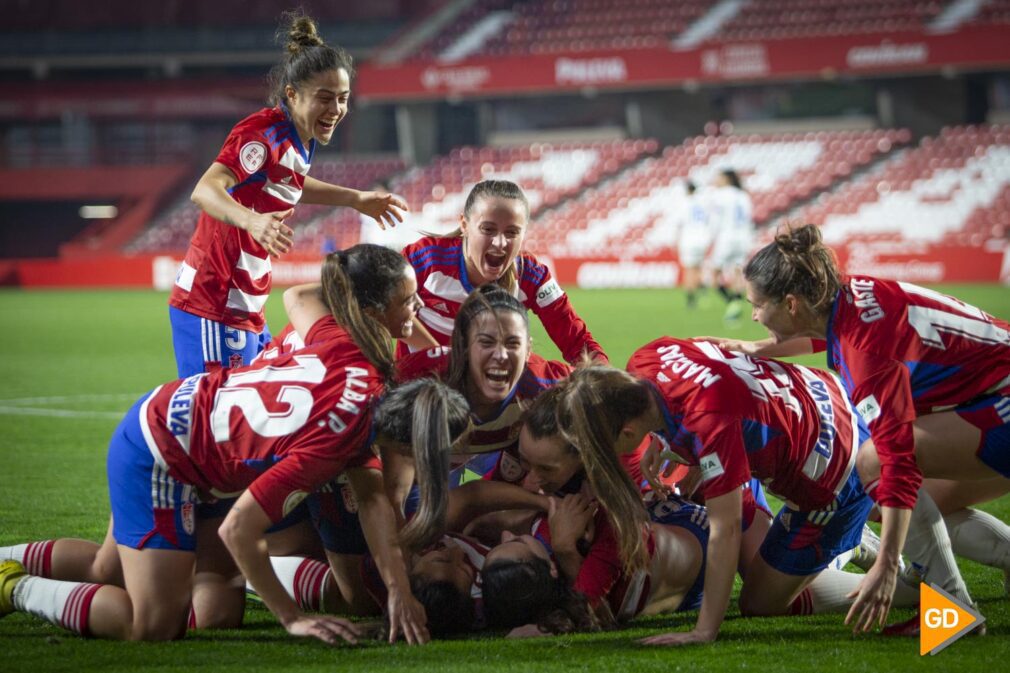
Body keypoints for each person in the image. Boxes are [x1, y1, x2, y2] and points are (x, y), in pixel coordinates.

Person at [0, 245, 450, 646]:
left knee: (124, 578)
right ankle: (12, 586)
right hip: (164, 452)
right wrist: (291, 620)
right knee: (152, 625)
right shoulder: (335, 439)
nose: (416, 309)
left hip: (190, 430)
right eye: (407, 300)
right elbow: (240, 529)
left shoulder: (349, 349)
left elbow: (371, 497)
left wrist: (398, 591)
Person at [712, 223, 1009, 630]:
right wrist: (760, 347)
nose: (754, 315)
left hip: (1002, 408)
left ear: (792, 303)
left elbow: (898, 461)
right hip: (993, 400)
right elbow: (825, 334)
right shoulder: (848, 296)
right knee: (910, 504)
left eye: (758, 305)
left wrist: (887, 565)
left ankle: (952, 612)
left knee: (875, 464)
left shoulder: (863, 351)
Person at [551, 337, 896, 645]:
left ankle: (903, 585)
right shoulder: (647, 358)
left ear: (627, 434)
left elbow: (725, 530)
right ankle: (852, 533)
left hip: (835, 470)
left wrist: (704, 630)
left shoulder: (705, 426)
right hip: (825, 395)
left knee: (759, 603)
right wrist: (661, 439)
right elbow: (715, 360)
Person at [169, 11, 407, 378]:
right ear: (292, 95)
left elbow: (289, 182)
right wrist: (253, 222)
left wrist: (355, 199)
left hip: (245, 302)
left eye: (342, 99)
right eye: (324, 98)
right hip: (213, 301)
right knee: (221, 423)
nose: (336, 110)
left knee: (254, 409)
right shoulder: (264, 134)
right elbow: (206, 189)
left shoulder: (302, 137)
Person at [399, 179, 607, 364]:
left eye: (512, 232)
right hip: (420, 387)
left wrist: (608, 384)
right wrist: (444, 360)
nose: (499, 243)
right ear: (464, 225)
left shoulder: (531, 274)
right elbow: (383, 307)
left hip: (491, 390)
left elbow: (577, 342)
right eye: (488, 230)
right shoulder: (425, 257)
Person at [702, 169, 753, 324]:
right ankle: (736, 301)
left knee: (714, 273)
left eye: (718, 177)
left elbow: (715, 220)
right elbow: (749, 217)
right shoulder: (743, 195)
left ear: (726, 179)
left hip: (726, 237)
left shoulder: (720, 195)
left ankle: (731, 301)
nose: (716, 180)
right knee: (738, 272)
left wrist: (710, 239)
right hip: (743, 237)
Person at [675, 180, 712, 310]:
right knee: (698, 268)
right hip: (702, 239)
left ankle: (691, 299)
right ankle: (702, 288)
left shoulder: (685, 203)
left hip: (688, 239)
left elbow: (679, 224)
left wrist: (676, 241)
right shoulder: (702, 203)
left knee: (689, 270)